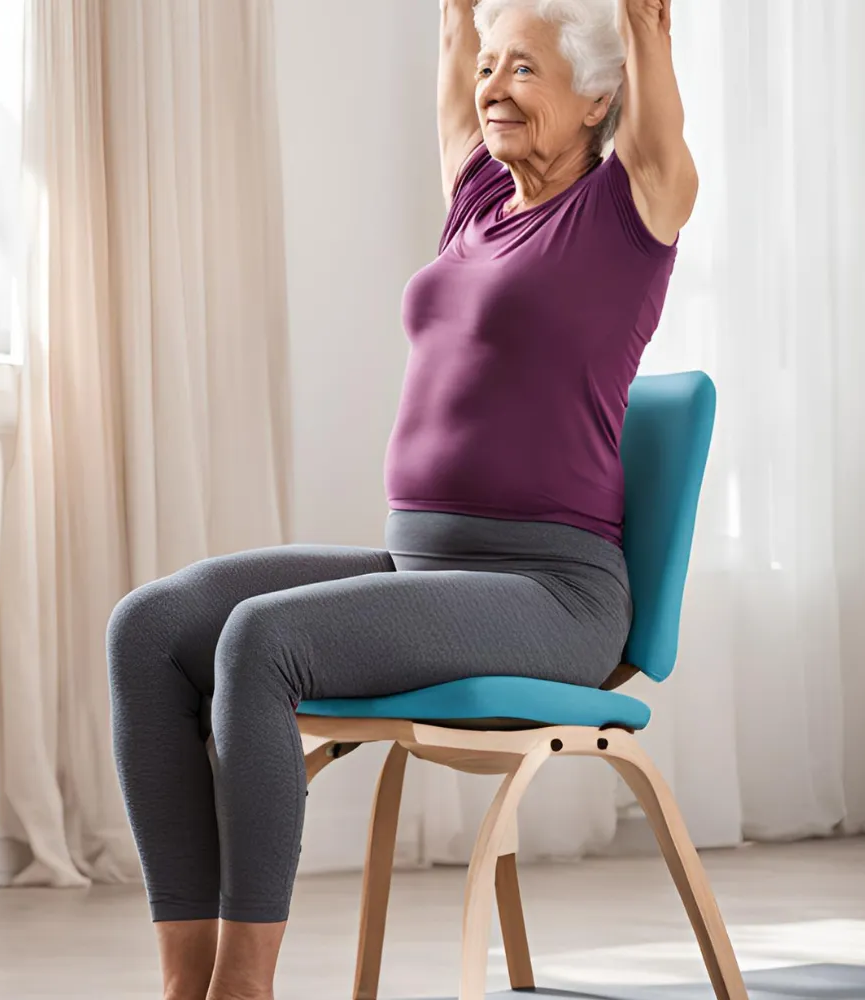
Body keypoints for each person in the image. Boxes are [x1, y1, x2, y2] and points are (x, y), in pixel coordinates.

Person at [107, 0, 696, 996]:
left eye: (525, 71)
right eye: (491, 69)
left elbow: (649, 53)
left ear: (599, 98)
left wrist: (644, 24)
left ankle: (246, 985)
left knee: (262, 641)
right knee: (151, 625)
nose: (494, 85)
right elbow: (450, 33)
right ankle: (186, 980)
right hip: (426, 566)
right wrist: (469, 26)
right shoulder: (474, 201)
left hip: (554, 595)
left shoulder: (629, 212)